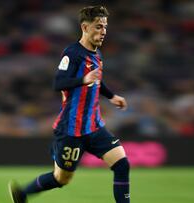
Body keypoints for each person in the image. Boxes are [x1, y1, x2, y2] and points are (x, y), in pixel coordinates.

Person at [9, 5, 130, 203]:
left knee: (122, 165)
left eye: (105, 27)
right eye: (98, 27)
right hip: (71, 130)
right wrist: (83, 79)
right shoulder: (72, 54)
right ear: (85, 27)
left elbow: (96, 81)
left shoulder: (97, 55)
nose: (103, 32)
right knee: (61, 179)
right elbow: (59, 83)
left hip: (94, 126)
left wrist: (111, 96)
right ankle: (22, 194)